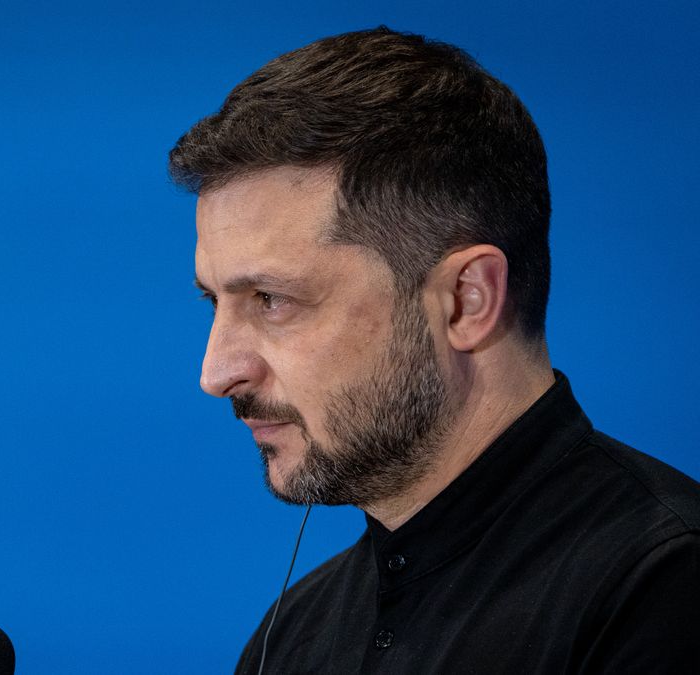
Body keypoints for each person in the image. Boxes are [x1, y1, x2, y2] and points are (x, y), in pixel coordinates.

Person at [169, 27, 700, 674]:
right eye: (212, 300)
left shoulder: (664, 589)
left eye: (271, 299)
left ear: (465, 300)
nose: (216, 372)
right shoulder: (292, 637)